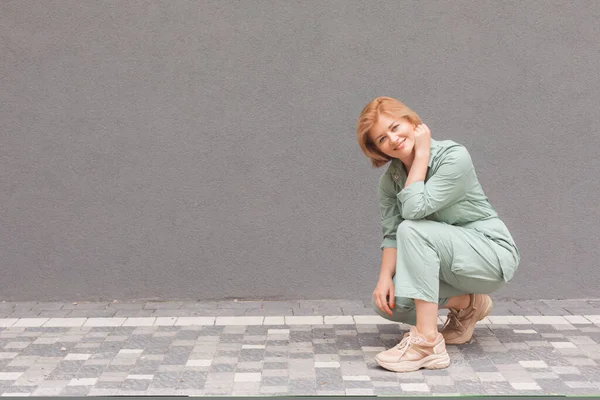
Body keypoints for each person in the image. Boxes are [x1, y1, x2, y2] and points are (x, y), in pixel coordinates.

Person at [356, 97, 520, 373]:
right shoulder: (389, 181)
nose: (394, 139)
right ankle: (470, 305)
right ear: (377, 149)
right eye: (382, 139)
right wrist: (384, 279)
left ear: (411, 121)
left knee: (413, 227)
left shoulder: (453, 156)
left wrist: (421, 157)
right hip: (446, 262)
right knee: (390, 304)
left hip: (490, 254)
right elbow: (393, 233)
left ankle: (427, 343)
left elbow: (413, 210)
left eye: (396, 127)